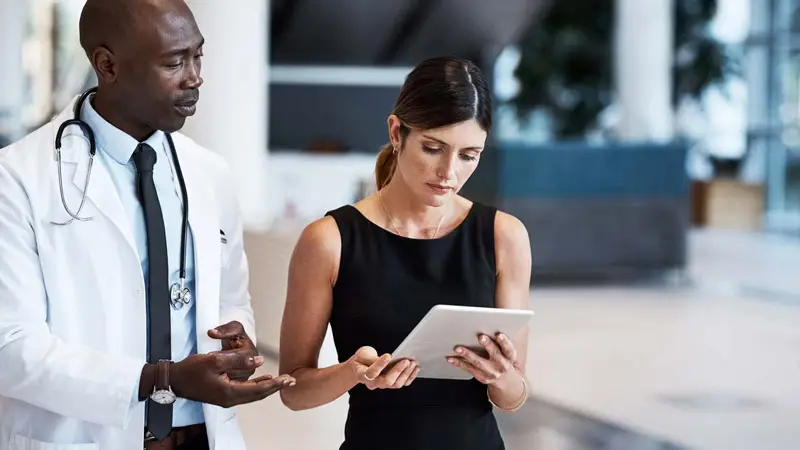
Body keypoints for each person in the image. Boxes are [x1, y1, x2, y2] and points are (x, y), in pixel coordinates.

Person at [0, 1, 294, 449]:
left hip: (199, 435)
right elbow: (10, 347)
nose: (194, 77)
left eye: (198, 56)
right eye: (174, 62)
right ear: (107, 64)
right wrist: (161, 379)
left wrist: (235, 340)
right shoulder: (17, 178)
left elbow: (231, 298)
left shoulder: (210, 174)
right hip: (87, 436)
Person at [278, 56, 533, 450]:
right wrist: (352, 373)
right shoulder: (328, 241)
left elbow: (513, 397)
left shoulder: (504, 236)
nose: (449, 172)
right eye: (433, 148)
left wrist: (500, 376)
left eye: (469, 155)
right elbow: (293, 390)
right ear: (397, 132)